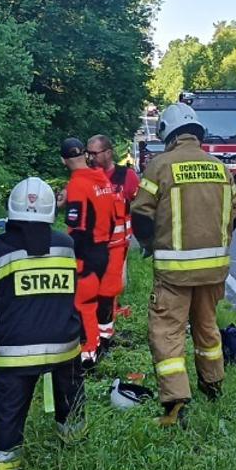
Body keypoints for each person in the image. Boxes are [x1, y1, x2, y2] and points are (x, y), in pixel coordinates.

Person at [0, 177, 86, 470]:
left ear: (11, 213)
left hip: (17, 351)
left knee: (10, 413)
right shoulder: (66, 245)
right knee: (71, 398)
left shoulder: (0, 249)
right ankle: (75, 444)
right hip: (65, 343)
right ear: (51, 211)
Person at [131, 102, 236, 428]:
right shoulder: (219, 168)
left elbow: (140, 213)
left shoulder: (161, 166)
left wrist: (150, 245)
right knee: (207, 329)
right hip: (214, 271)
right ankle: (213, 385)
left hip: (173, 273)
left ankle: (176, 402)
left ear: (168, 133)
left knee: (167, 334)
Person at [62, 137, 125, 365]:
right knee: (99, 301)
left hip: (85, 253)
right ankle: (99, 343)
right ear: (85, 156)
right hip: (103, 250)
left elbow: (77, 227)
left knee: (83, 304)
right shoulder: (101, 180)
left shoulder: (77, 184)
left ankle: (88, 356)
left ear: (63, 160)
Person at [91, 134, 136, 348]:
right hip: (91, 247)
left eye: (94, 153)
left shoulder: (126, 176)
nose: (90, 157)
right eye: (87, 153)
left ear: (108, 153)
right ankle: (96, 336)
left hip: (118, 246)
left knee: (111, 291)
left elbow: (139, 207)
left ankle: (105, 336)